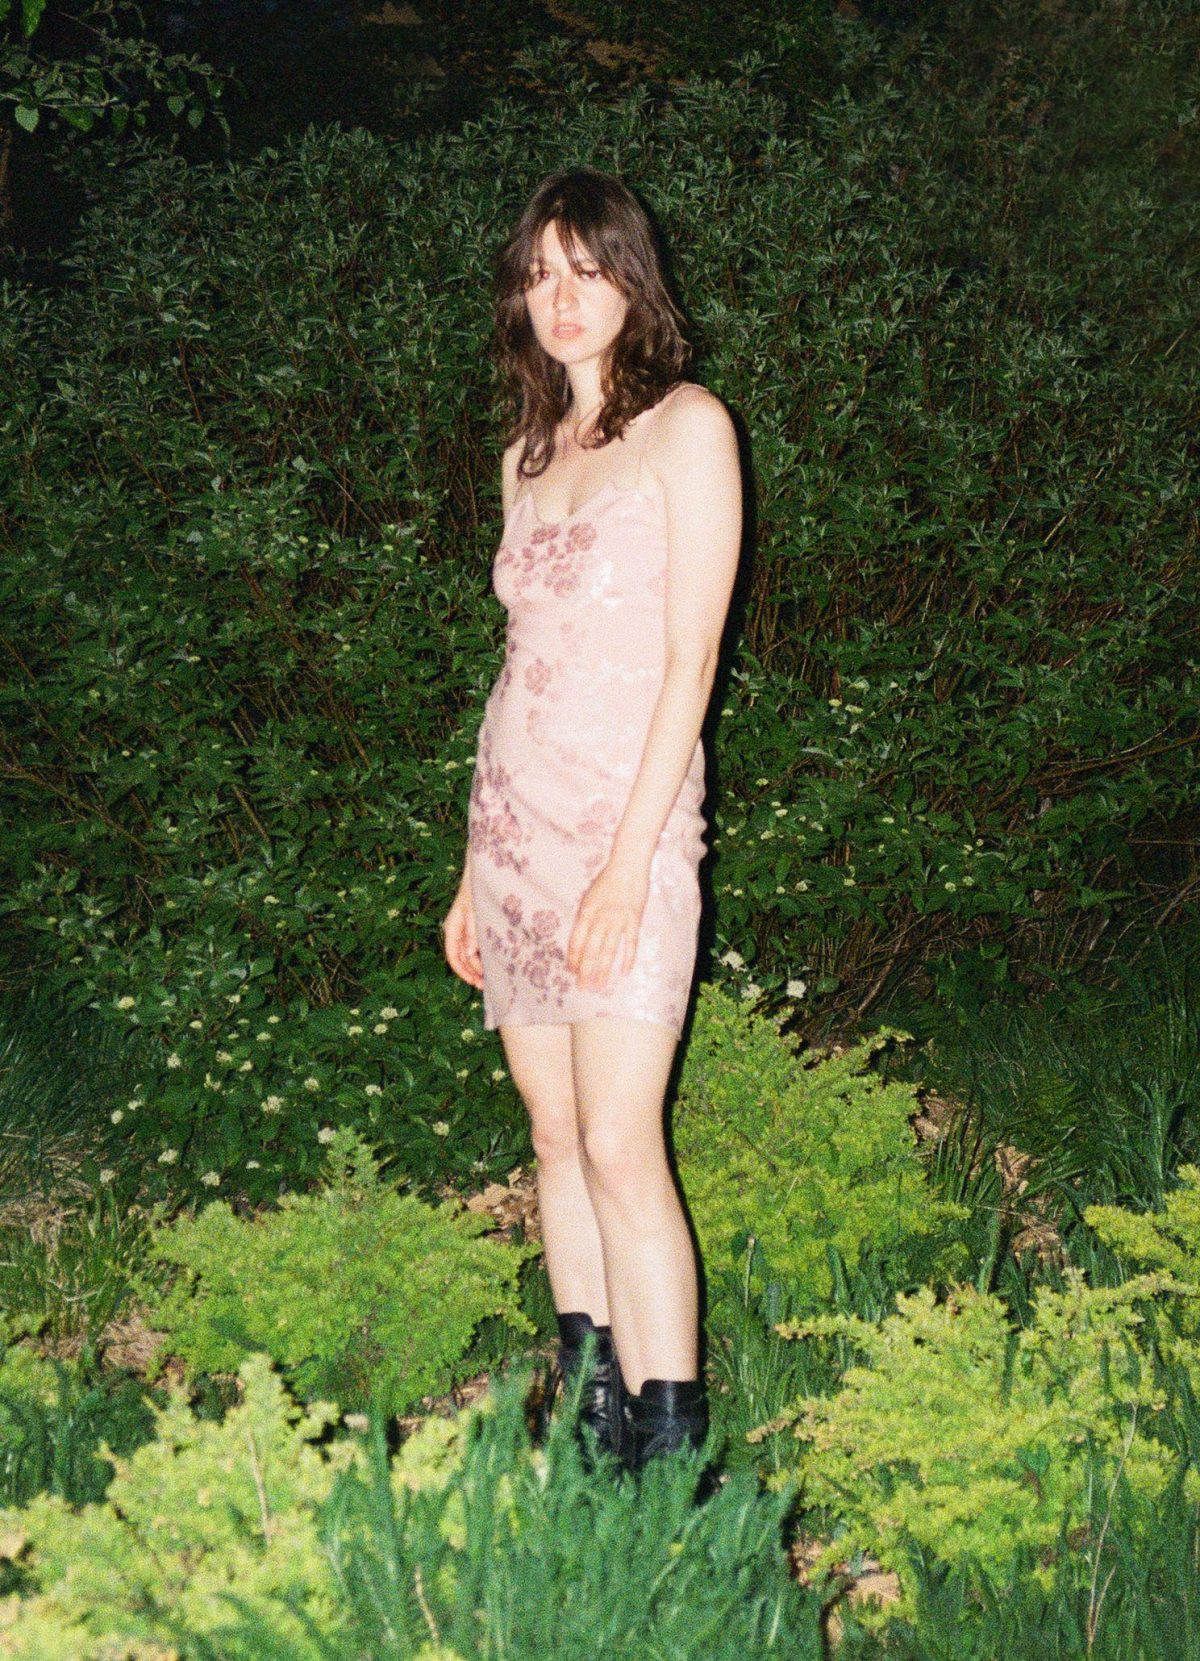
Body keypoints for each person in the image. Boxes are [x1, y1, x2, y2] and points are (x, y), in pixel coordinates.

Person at [442, 166, 741, 1471]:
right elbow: (518, 667)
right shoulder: (525, 454)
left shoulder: (688, 428)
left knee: (621, 1140)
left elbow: (691, 662)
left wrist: (628, 866)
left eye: (586, 270)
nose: (560, 299)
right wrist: (472, 870)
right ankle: (592, 1420)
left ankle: (672, 1462)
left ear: (633, 279)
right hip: (516, 832)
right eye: (538, 275)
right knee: (556, 1135)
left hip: (630, 828)